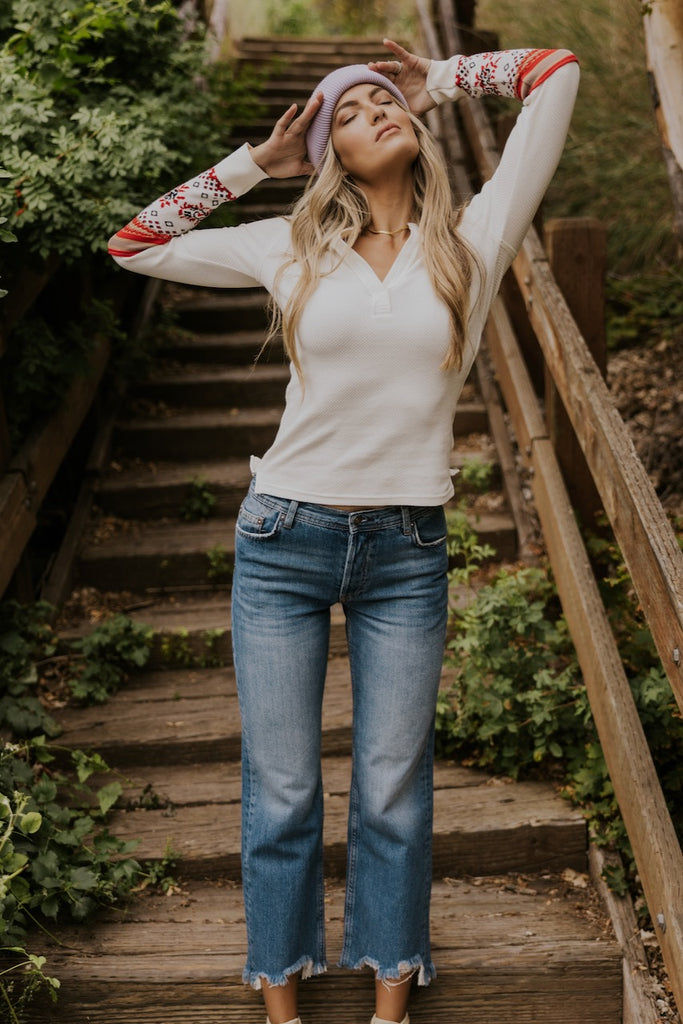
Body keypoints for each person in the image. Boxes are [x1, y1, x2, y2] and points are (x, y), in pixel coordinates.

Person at [108, 35, 579, 1024]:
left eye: (384, 101)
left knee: (392, 788)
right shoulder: (287, 245)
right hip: (283, 538)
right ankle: (281, 1008)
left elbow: (557, 70)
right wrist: (255, 163)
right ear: (331, 155)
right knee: (281, 789)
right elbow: (135, 243)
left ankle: (387, 1006)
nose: (377, 111)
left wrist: (439, 79)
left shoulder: (475, 236)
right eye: (351, 112)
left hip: (406, 549)